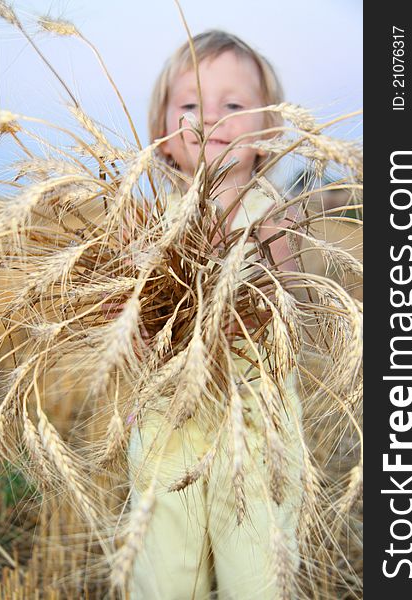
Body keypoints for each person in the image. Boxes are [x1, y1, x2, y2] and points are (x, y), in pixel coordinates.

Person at [126, 30, 304, 600]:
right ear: (164, 133)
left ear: (268, 131)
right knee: (164, 568)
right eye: (191, 105)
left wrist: (251, 307)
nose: (211, 118)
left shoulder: (272, 218)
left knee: (256, 568)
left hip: (253, 422)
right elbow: (132, 317)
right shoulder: (153, 220)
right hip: (167, 420)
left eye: (234, 105)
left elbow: (292, 304)